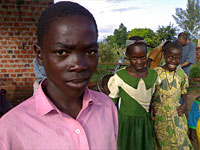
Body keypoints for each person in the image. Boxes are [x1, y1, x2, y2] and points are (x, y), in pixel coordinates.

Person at [0, 1, 118, 149]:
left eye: (90, 52)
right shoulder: (10, 130)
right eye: (62, 52)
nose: (79, 65)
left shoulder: (107, 107)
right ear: (40, 55)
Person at [108, 36, 158, 150]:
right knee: (126, 144)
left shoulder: (153, 76)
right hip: (125, 122)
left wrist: (152, 110)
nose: (139, 62)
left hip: (144, 120)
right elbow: (112, 101)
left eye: (143, 57)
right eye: (135, 58)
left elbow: (153, 96)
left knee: (143, 144)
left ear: (147, 55)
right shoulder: (119, 77)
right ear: (127, 56)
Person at [152, 42, 193, 149]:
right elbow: (150, 93)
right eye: (170, 57)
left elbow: (184, 91)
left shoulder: (181, 74)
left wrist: (184, 104)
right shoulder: (156, 73)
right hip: (160, 115)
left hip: (176, 113)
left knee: (180, 140)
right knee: (163, 141)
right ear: (164, 56)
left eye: (177, 58)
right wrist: (151, 107)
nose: (173, 61)